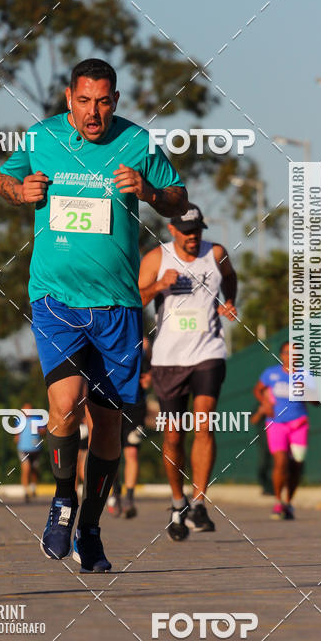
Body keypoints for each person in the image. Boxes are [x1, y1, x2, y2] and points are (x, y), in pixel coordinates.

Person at [0, 57, 188, 572]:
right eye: (84, 101)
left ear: (115, 101)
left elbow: (178, 199)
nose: (93, 112)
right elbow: (5, 178)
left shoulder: (137, 143)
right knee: (64, 404)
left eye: (103, 102)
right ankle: (63, 501)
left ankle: (91, 529)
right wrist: (20, 191)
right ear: (69, 98)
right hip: (56, 300)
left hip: (118, 305)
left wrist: (148, 192)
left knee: (107, 425)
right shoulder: (41, 138)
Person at [139, 205, 237, 541]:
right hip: (169, 358)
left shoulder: (216, 253)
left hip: (208, 352)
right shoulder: (156, 258)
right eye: (187, 232)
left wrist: (229, 301)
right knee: (173, 435)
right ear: (172, 230)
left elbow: (230, 277)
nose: (193, 237)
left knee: (204, 421)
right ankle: (177, 501)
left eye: (197, 231)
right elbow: (135, 299)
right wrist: (159, 286)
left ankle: (198, 503)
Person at [254, 342, 317, 520]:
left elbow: (317, 402)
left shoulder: (306, 375)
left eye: (295, 353)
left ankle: (289, 502)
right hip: (276, 423)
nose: (292, 356)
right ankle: (278, 501)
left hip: (299, 423)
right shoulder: (271, 373)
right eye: (288, 352)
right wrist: (265, 403)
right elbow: (258, 390)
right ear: (282, 355)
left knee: (297, 464)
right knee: (280, 461)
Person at [107, 335, 152, 519]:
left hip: (135, 407)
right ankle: (114, 492)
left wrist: (149, 376)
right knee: (111, 453)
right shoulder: (107, 339)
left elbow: (149, 373)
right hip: (111, 404)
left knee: (131, 452)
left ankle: (130, 498)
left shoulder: (141, 344)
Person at [16, 403, 45, 502]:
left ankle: (33, 487)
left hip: (36, 449)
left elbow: (44, 431)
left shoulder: (37, 419)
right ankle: (25, 491)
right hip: (23, 449)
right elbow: (17, 434)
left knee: (34, 469)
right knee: (26, 468)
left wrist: (39, 430)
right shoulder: (19, 420)